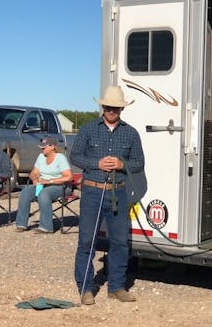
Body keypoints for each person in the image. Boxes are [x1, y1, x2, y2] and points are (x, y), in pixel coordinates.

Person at [70, 85, 145, 306]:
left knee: (120, 242)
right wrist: (97, 163)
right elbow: (75, 156)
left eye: (117, 108)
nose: (112, 110)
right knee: (87, 241)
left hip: (118, 192)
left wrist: (122, 164)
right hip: (92, 191)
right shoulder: (88, 129)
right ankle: (85, 288)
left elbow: (140, 163)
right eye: (109, 107)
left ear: (122, 109)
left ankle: (117, 287)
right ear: (103, 107)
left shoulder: (131, 133)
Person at [14, 136, 73, 233]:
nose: (42, 149)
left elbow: (69, 177)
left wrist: (50, 181)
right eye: (41, 147)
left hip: (61, 186)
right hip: (43, 185)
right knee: (25, 193)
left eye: (44, 147)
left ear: (52, 146)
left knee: (44, 193)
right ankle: (21, 224)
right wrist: (34, 179)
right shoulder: (41, 157)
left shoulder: (60, 158)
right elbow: (34, 172)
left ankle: (46, 227)